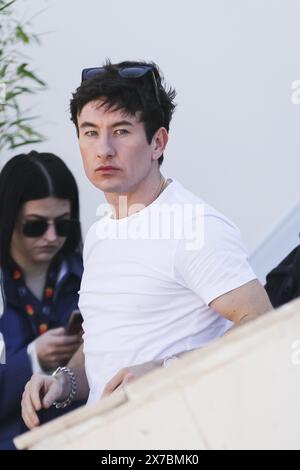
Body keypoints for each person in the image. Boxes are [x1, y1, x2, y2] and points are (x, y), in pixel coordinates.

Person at [21, 60, 273, 430]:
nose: (103, 149)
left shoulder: (193, 225)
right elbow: (106, 347)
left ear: (158, 142)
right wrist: (62, 381)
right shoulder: (101, 232)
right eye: (90, 132)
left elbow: (263, 325)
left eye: (121, 131)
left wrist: (166, 369)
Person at [0, 151, 84, 449]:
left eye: (62, 225)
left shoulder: (89, 277)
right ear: (8, 219)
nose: (51, 237)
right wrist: (33, 358)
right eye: (35, 225)